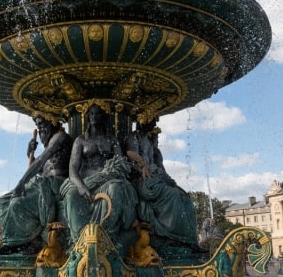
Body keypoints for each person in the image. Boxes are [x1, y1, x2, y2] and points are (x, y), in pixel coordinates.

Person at [59, 103, 137, 253]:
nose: (94, 117)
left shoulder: (112, 140)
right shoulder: (80, 140)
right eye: (92, 114)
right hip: (85, 182)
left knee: (116, 188)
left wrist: (108, 175)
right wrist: (81, 187)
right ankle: (80, 244)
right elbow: (72, 170)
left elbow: (122, 165)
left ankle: (107, 238)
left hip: (108, 181)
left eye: (98, 114)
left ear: (104, 118)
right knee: (71, 195)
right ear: (88, 117)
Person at [0, 115, 72, 255]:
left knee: (17, 203)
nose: (40, 129)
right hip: (44, 181)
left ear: (52, 122)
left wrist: (21, 182)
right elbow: (42, 167)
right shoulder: (51, 143)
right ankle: (9, 240)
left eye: (42, 125)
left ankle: (22, 242)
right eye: (38, 126)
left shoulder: (60, 137)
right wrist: (29, 154)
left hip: (57, 183)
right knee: (3, 201)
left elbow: (41, 161)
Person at [124, 117, 198, 249]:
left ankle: (188, 239)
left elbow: (160, 169)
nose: (152, 124)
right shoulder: (134, 137)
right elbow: (129, 152)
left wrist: (173, 183)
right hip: (139, 179)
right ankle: (170, 236)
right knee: (172, 195)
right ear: (140, 122)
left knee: (185, 197)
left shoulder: (149, 142)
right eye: (149, 121)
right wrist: (142, 164)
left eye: (152, 122)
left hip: (154, 179)